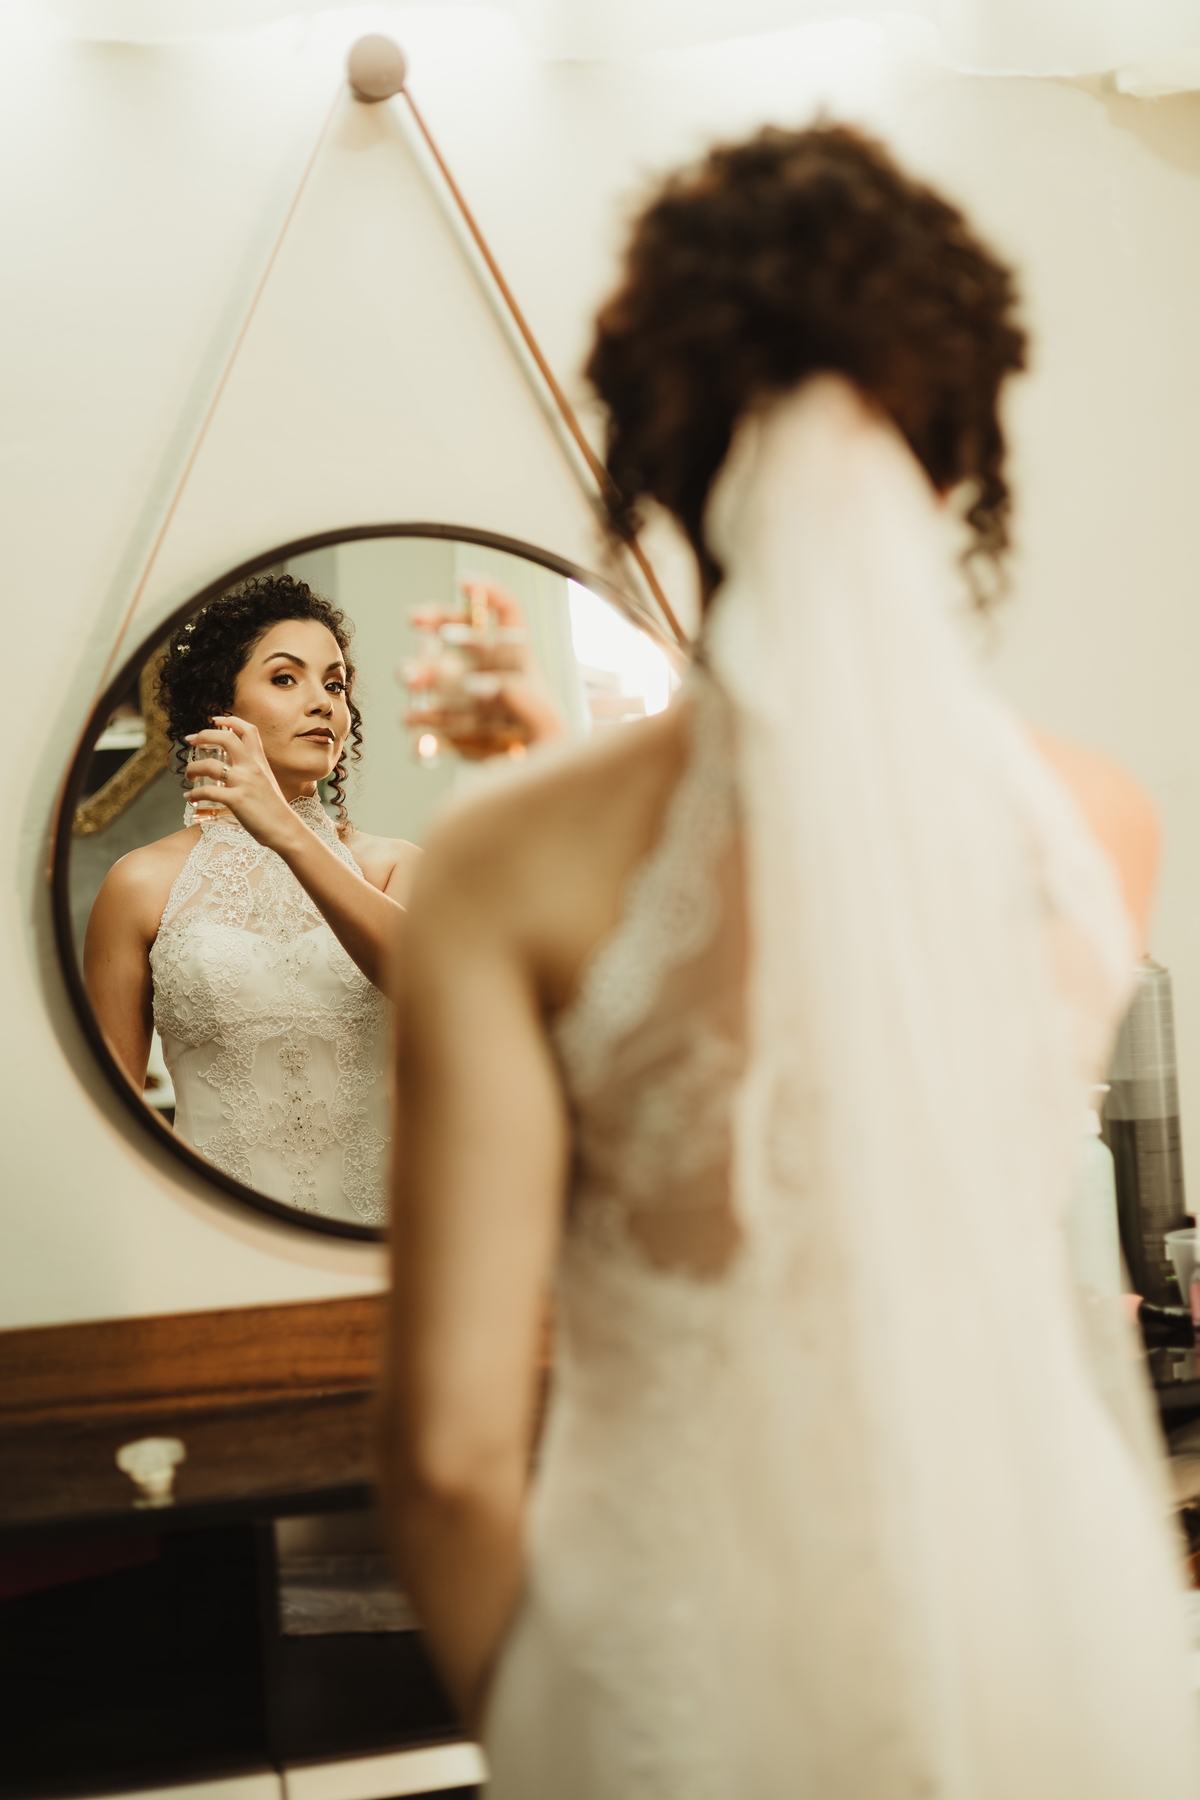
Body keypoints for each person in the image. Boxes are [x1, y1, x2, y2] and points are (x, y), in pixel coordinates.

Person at [378, 124, 1200, 1796]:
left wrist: (554, 1742)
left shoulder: (507, 864)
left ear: (657, 457)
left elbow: (451, 1461)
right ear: (958, 454)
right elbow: (832, 942)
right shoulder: (1094, 824)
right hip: (1038, 1640)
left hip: (681, 1681)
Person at [85, 574, 419, 1224]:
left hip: (374, 1237)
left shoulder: (395, 868)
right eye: (286, 678)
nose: (322, 702)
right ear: (220, 706)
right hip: (206, 1233)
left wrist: (288, 832)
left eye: (335, 684)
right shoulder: (140, 885)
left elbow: (431, 982)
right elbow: (108, 1122)